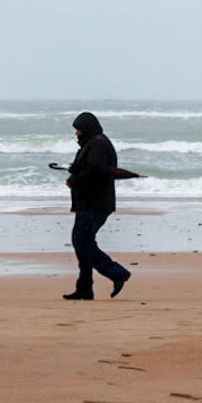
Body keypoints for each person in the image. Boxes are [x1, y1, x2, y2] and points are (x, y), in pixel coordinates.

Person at [63, 111, 131, 300]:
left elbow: (96, 171)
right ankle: (84, 288)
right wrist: (74, 170)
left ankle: (117, 273)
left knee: (82, 243)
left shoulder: (98, 143)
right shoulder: (92, 143)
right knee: (82, 243)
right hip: (89, 202)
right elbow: (89, 167)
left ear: (87, 129)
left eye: (78, 129)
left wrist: (74, 180)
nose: (76, 133)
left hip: (95, 203)